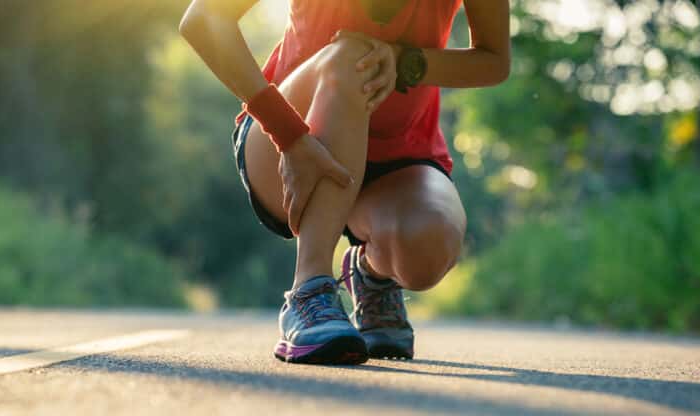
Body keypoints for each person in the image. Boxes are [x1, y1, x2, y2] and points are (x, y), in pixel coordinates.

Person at [179, 0, 510, 364]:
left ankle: (371, 276)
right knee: (353, 54)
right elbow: (203, 19)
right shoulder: (288, 133)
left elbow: (493, 60)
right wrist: (288, 134)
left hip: (398, 156)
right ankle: (309, 291)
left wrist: (405, 61)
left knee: (429, 245)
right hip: (287, 139)